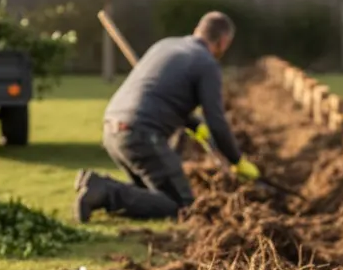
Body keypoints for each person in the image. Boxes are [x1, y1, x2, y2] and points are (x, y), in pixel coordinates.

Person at [73, 11, 260, 223]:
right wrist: (237, 161)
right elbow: (216, 120)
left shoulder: (165, 45)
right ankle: (105, 192)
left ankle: (94, 185)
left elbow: (160, 93)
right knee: (180, 204)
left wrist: (195, 125)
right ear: (224, 41)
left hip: (112, 128)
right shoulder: (206, 64)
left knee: (149, 195)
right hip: (141, 134)